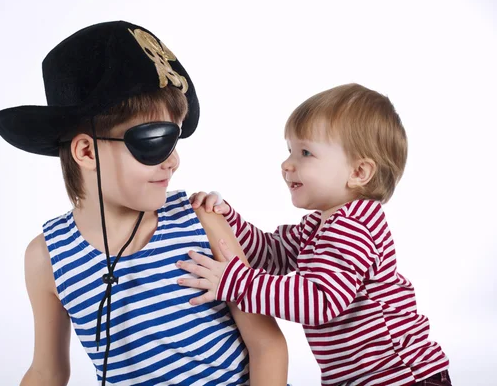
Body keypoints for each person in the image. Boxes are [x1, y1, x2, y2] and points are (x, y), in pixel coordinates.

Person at [0, 20, 288, 386]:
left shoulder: (201, 221)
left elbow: (267, 346)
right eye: (153, 139)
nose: (174, 161)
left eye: (175, 138)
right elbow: (47, 371)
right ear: (86, 150)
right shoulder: (47, 259)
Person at [180, 83, 451, 385]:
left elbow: (320, 300)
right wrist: (229, 221)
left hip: (400, 377)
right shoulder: (319, 225)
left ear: (359, 173)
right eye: (290, 151)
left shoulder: (353, 228)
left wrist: (234, 283)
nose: (286, 164)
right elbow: (272, 254)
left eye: (305, 153)